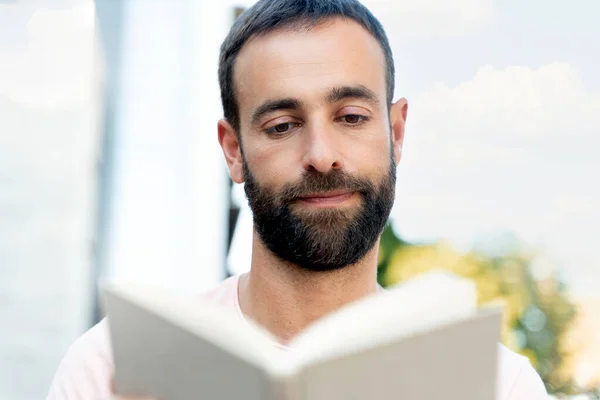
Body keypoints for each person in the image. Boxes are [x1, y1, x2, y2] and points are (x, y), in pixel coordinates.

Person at [46, 0, 549, 399]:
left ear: (396, 133)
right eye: (282, 126)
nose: (322, 156)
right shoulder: (114, 369)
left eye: (351, 117)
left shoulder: (497, 386)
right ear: (233, 150)